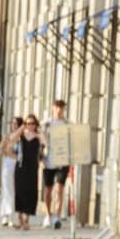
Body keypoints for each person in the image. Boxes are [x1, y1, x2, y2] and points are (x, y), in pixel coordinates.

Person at [3, 115, 43, 230]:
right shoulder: (21, 135)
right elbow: (12, 139)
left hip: (33, 168)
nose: (30, 126)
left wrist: (39, 131)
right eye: (28, 123)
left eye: (32, 123)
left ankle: (26, 219)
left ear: (36, 124)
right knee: (20, 192)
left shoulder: (38, 136)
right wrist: (22, 128)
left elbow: (45, 141)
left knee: (31, 193)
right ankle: (20, 218)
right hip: (21, 167)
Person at [40, 98, 69, 228]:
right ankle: (48, 215)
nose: (59, 110)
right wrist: (40, 156)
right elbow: (40, 140)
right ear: (53, 108)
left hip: (62, 161)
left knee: (59, 189)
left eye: (61, 107)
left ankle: (57, 216)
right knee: (48, 190)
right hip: (49, 161)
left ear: (64, 109)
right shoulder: (46, 124)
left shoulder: (67, 125)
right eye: (57, 107)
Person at [0, 117, 23, 225]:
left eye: (16, 123)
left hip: (19, 165)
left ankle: (12, 214)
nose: (14, 125)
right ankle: (6, 215)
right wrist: (8, 153)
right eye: (12, 123)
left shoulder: (22, 138)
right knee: (7, 189)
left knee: (15, 190)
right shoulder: (8, 137)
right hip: (9, 164)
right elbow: (1, 148)